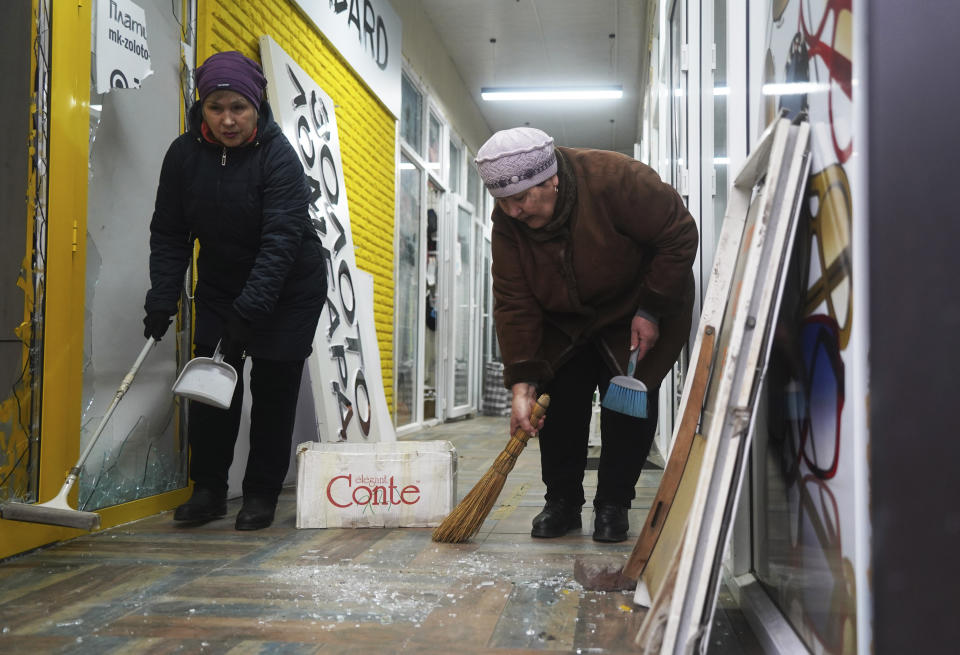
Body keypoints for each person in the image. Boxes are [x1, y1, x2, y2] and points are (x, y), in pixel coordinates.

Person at [475, 127, 697, 542]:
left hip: (637, 303)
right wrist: (521, 382)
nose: (514, 211)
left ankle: (614, 503)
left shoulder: (617, 179)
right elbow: (513, 298)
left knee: (628, 405)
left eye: (522, 198)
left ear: (552, 179)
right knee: (559, 402)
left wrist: (651, 309)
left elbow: (679, 234)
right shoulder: (509, 221)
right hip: (564, 318)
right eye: (502, 203)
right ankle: (562, 503)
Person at [142, 51, 327, 530]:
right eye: (215, 107)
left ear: (257, 106)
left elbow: (282, 239)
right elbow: (169, 233)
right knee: (211, 384)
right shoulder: (183, 156)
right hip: (223, 283)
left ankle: (261, 493)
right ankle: (208, 491)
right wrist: (163, 296)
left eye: (238, 108)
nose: (227, 120)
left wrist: (251, 311)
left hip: (288, 286)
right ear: (201, 108)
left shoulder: (277, 155)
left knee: (273, 385)